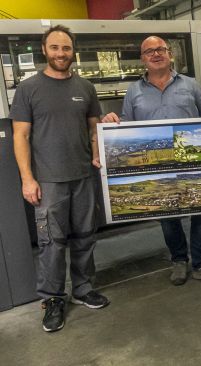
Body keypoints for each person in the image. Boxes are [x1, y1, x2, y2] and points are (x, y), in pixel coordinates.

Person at [102, 36, 201, 287]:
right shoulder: (134, 91)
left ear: (170, 54)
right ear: (143, 58)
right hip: (159, 161)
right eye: (150, 51)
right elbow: (126, 126)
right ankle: (178, 260)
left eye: (161, 49)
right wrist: (112, 122)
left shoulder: (190, 84)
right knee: (167, 214)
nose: (156, 54)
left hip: (191, 156)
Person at [11, 25, 110, 333]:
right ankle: (53, 299)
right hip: (49, 181)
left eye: (66, 48)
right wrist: (28, 179)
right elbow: (20, 135)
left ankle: (82, 289)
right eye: (54, 48)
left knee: (84, 236)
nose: (60, 53)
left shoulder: (86, 87)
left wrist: (96, 155)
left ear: (73, 51)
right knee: (52, 243)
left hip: (83, 175)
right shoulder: (28, 89)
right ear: (45, 49)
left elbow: (93, 129)